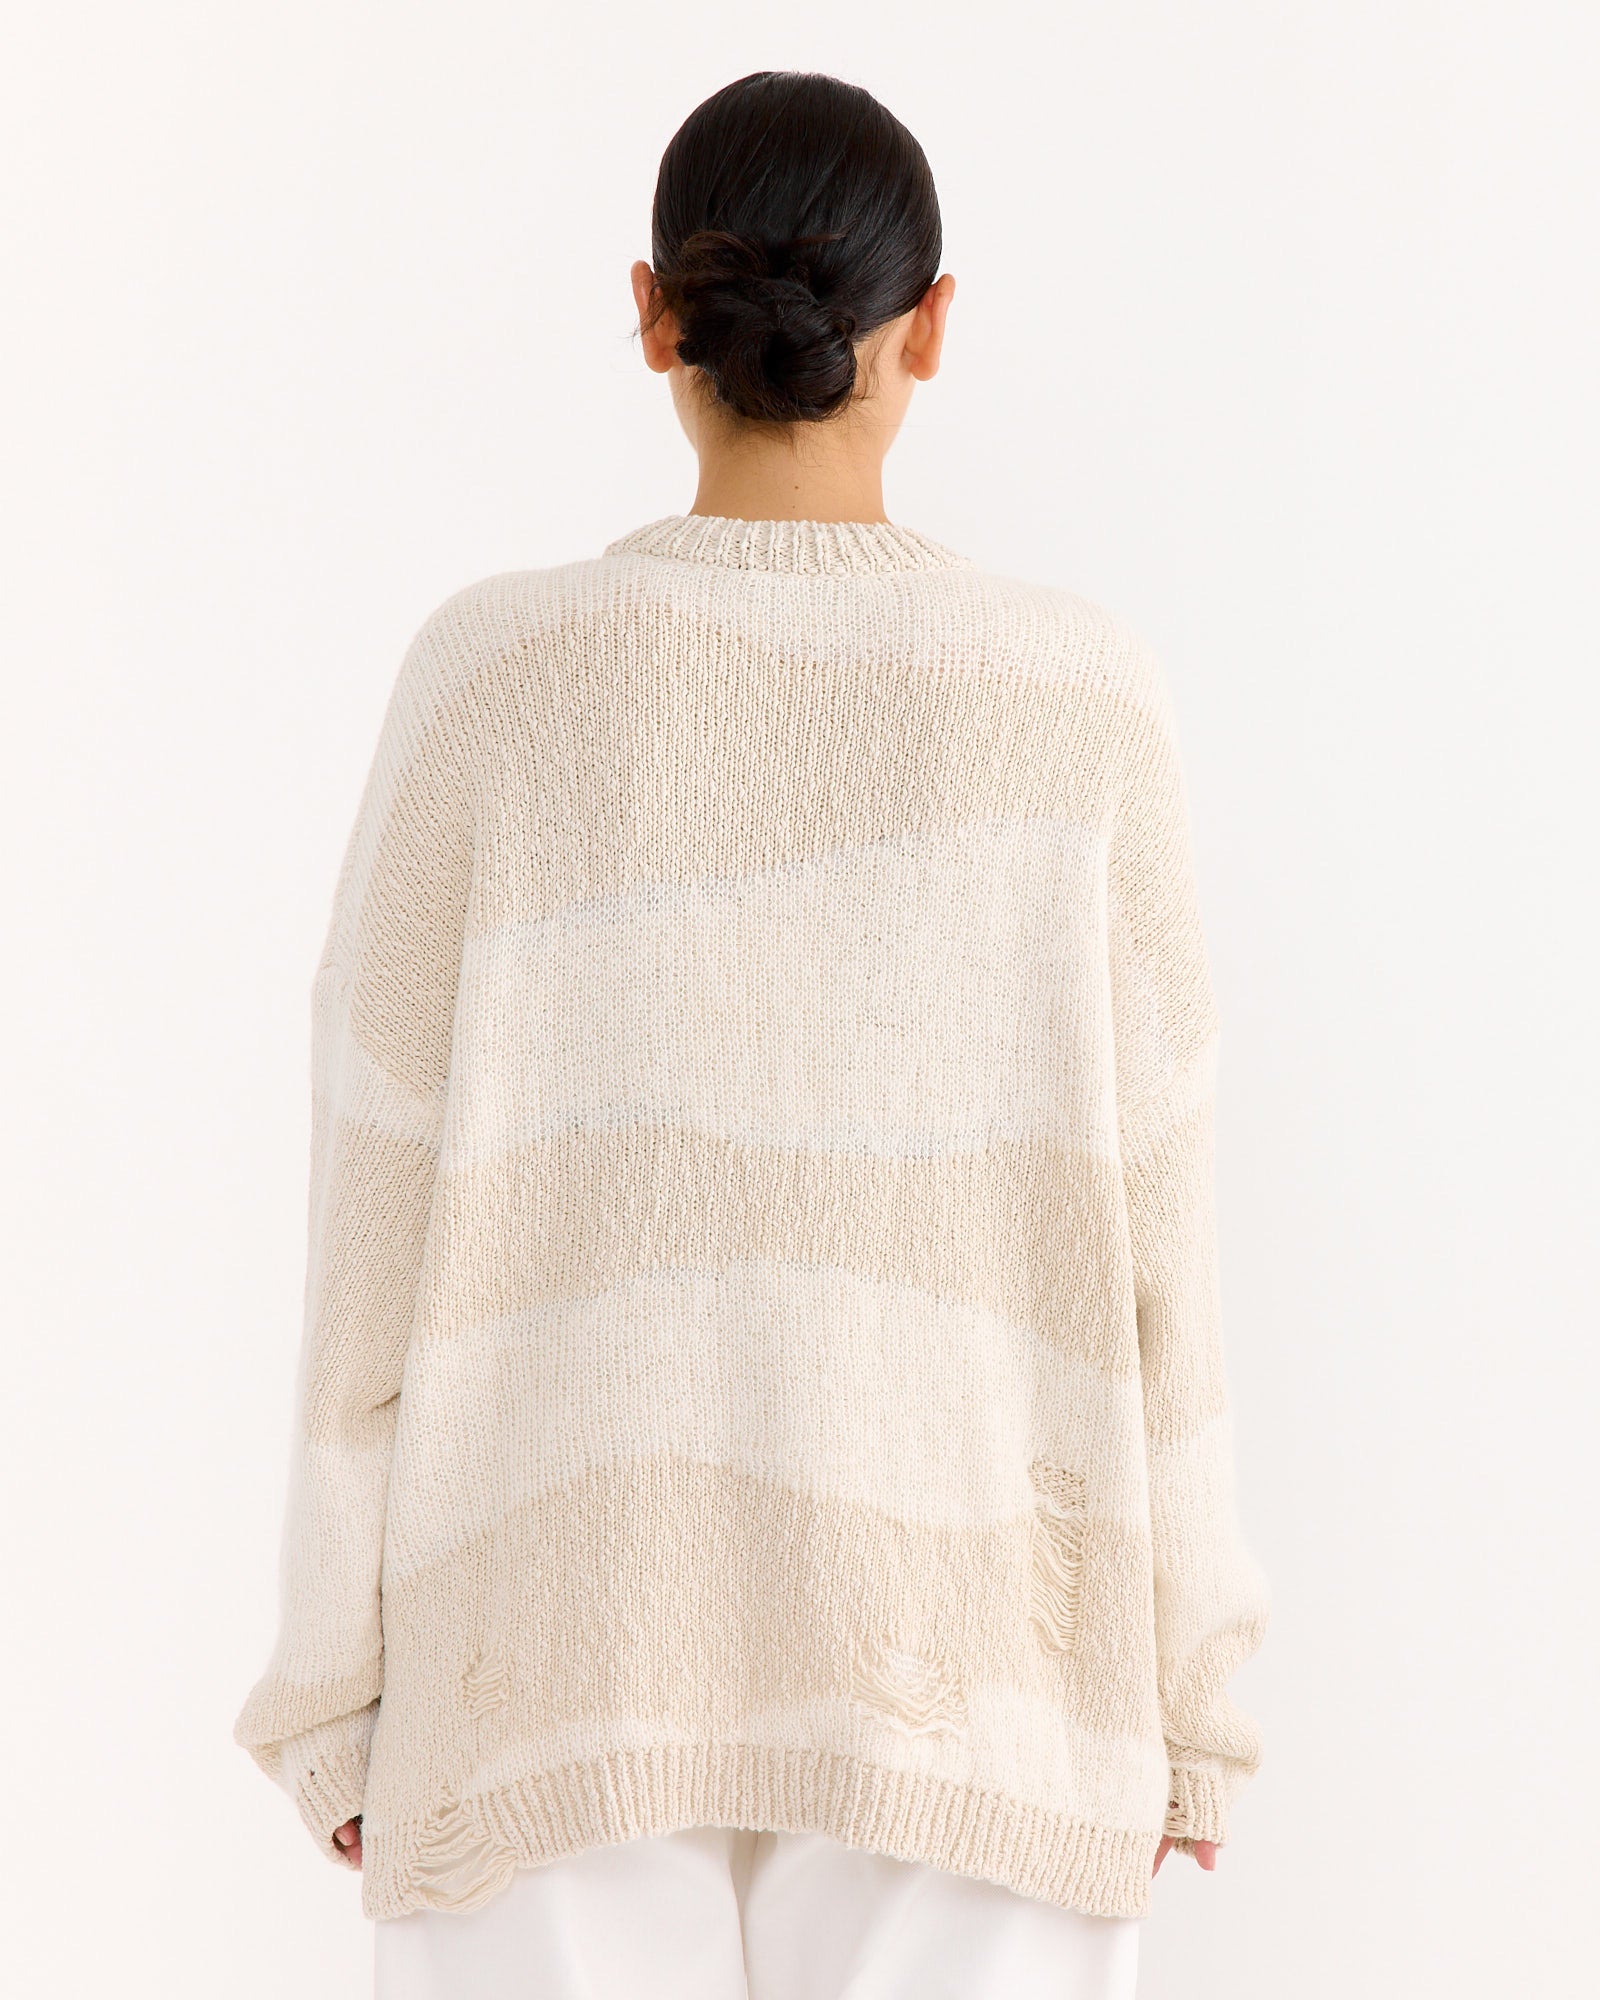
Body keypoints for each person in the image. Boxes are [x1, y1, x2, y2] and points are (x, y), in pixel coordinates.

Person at [233, 68, 1269, 2000]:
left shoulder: (491, 676)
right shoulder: (1083, 700)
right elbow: (1163, 1240)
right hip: (986, 1667)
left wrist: (332, 1679)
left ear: (654, 316)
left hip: (542, 1654)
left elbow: (372, 1194)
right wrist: (1196, 1694)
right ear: (932, 326)